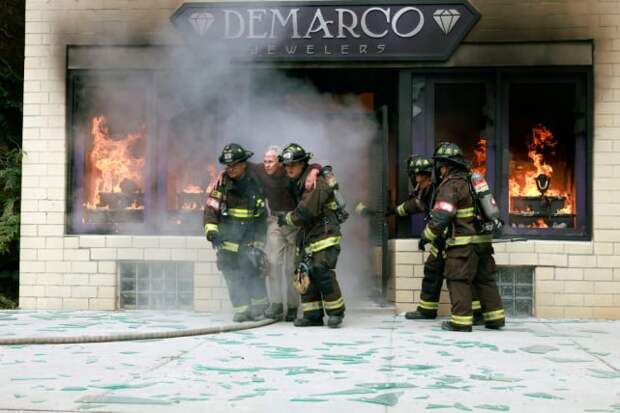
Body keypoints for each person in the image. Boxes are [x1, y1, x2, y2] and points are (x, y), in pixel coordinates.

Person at [419, 142, 505, 332]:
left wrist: (426, 236)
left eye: (440, 167)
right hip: (483, 242)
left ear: (445, 166)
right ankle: (495, 318)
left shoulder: (451, 185)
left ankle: (461, 322)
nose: (439, 171)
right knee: (485, 280)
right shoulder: (473, 182)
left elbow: (442, 215)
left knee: (458, 279)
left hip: (463, 245)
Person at [389, 155, 484, 322]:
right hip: (447, 238)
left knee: (443, 273)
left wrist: (429, 237)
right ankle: (472, 313)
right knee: (445, 273)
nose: (414, 178)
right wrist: (393, 211)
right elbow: (414, 205)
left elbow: (442, 215)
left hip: (448, 239)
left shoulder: (437, 189)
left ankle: (429, 311)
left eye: (415, 174)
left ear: (419, 175)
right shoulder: (427, 190)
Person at [277, 143, 346, 328]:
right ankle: (312, 315)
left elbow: (305, 213)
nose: (288, 168)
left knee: (321, 270)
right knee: (303, 272)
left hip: (325, 233)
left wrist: (285, 219)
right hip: (309, 235)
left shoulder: (316, 182)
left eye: (293, 164)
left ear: (303, 163)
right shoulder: (300, 180)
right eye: (286, 165)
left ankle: (336, 313)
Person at [203, 143, 270, 322]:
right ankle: (242, 309)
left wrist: (259, 244)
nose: (230, 169)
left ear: (243, 164)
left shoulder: (255, 184)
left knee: (252, 272)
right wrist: (212, 232)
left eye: (233, 165)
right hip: (226, 241)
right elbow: (210, 210)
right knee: (231, 276)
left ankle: (260, 304)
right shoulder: (221, 185)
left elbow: (261, 219)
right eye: (227, 166)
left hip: (248, 241)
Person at [253, 146, 319, 321]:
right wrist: (219, 175)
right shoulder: (261, 170)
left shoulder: (288, 171)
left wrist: (314, 172)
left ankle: (292, 306)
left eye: (271, 161)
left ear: (280, 162)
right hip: (275, 220)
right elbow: (242, 166)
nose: (266, 165)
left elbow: (314, 165)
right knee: (272, 261)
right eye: (265, 161)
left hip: (294, 223)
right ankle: (276, 304)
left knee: (291, 267)